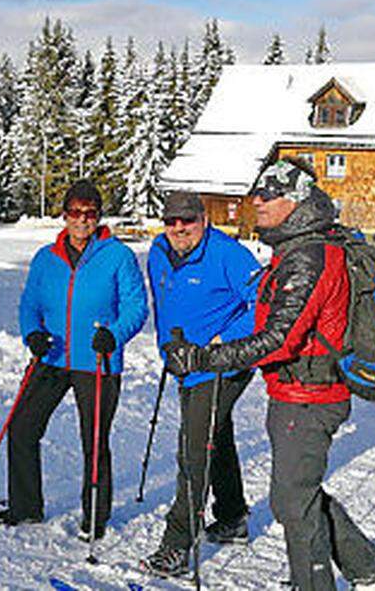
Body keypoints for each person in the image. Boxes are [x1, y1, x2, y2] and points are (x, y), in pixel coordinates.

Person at [160, 158, 375, 590]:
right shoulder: (300, 247)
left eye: (266, 194)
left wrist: (204, 358)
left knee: (292, 501)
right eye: (257, 192)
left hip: (311, 394)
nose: (256, 202)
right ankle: (371, 570)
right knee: (299, 493)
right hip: (298, 390)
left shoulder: (307, 256)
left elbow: (279, 339)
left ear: (293, 200)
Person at [0, 180, 148, 541]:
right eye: (75, 212)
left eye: (90, 213)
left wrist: (114, 334)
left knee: (94, 439)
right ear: (64, 215)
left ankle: (95, 518)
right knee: (23, 427)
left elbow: (136, 307)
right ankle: (26, 508)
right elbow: (30, 303)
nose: (82, 220)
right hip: (53, 355)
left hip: (97, 359)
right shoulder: (46, 258)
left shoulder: (117, 256)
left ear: (99, 216)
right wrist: (32, 333)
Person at [140, 192, 261, 577]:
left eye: (187, 221)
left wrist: (221, 343)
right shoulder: (159, 251)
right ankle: (231, 518)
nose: (179, 229)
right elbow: (165, 303)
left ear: (203, 220)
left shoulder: (228, 254)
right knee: (214, 433)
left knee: (193, 450)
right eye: (171, 222)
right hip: (184, 363)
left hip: (223, 363)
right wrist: (167, 348)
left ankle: (176, 547)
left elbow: (264, 303)